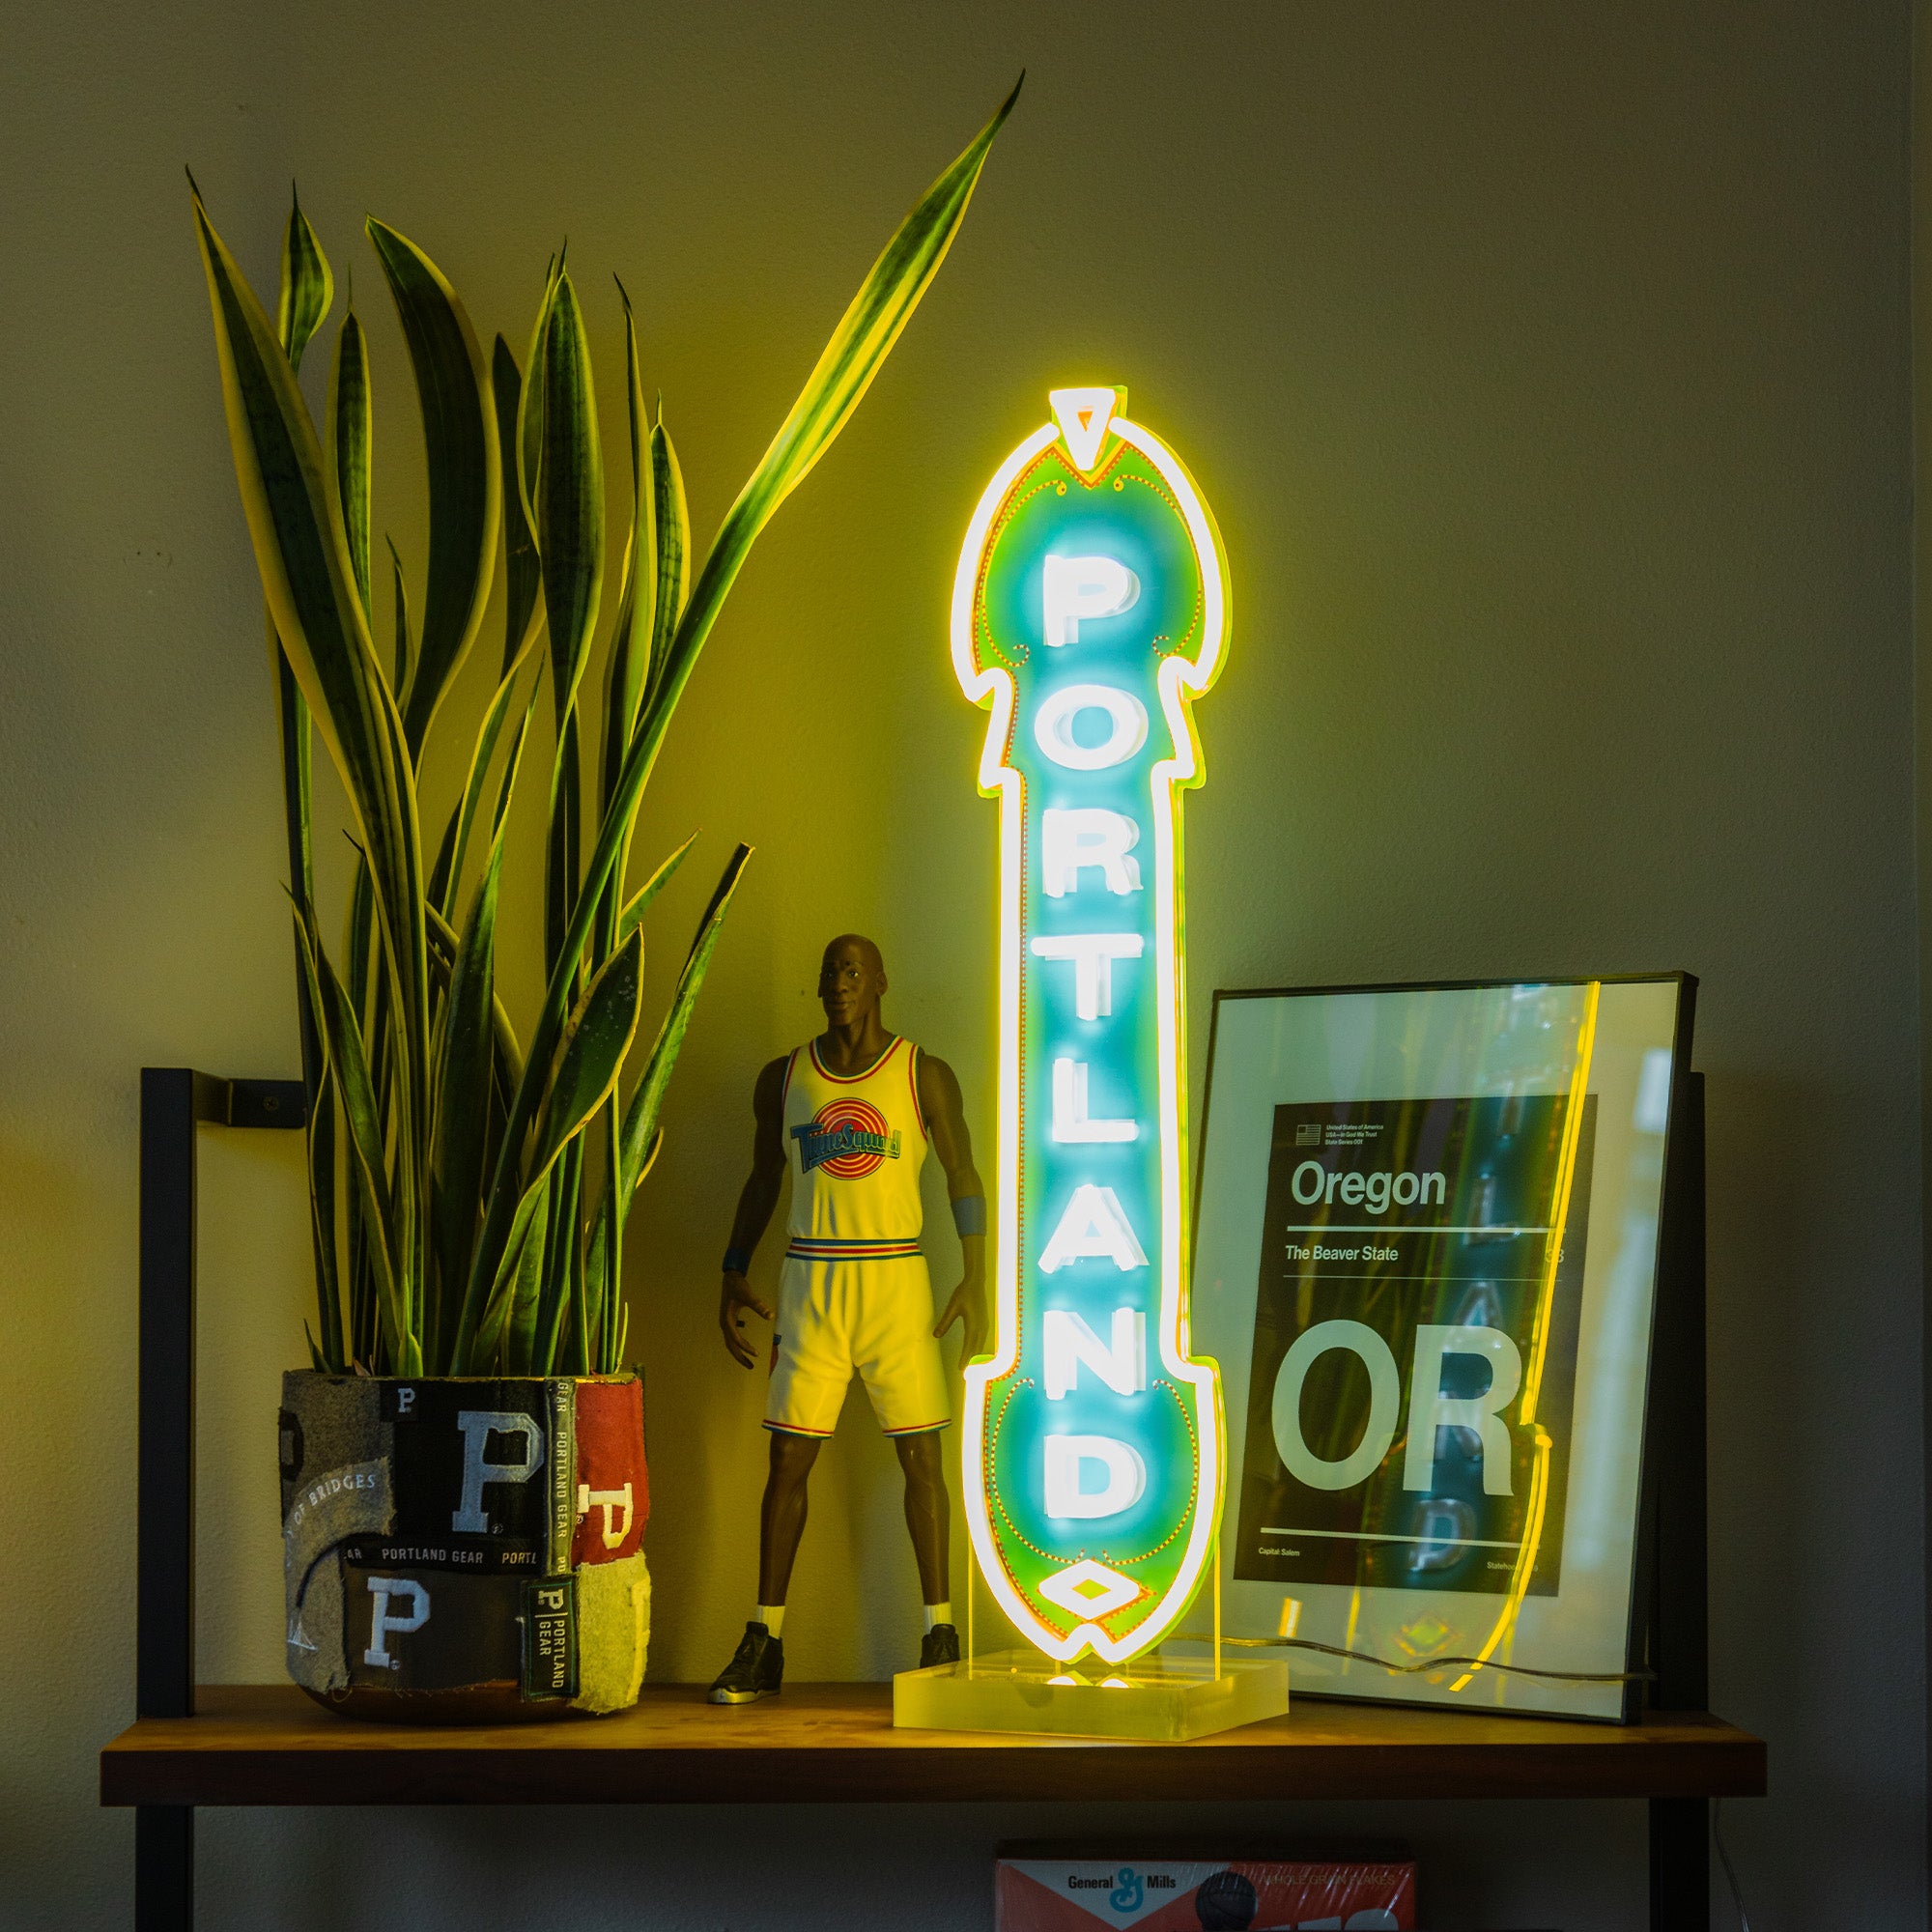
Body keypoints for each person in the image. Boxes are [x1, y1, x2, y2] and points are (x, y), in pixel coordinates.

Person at [707, 934, 987, 1703]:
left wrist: (979, 1276)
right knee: (787, 1464)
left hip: (897, 1278)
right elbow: (764, 1176)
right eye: (829, 970)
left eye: (852, 969)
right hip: (814, 1279)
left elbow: (963, 1170)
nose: (838, 981)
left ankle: (940, 1635)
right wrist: (733, 1267)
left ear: (880, 982)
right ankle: (764, 1640)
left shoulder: (920, 1072)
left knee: (922, 1461)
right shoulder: (786, 1076)